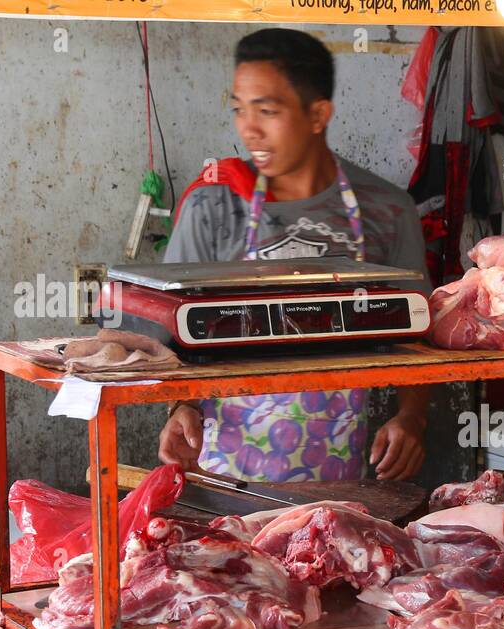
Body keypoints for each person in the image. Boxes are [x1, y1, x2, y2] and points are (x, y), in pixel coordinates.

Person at [158, 28, 431, 483]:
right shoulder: (214, 206)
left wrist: (412, 418)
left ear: (318, 113)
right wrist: (179, 406)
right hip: (218, 478)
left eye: (267, 110)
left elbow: (418, 339)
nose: (248, 128)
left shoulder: (385, 211)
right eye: (239, 109)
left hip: (337, 491)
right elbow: (169, 341)